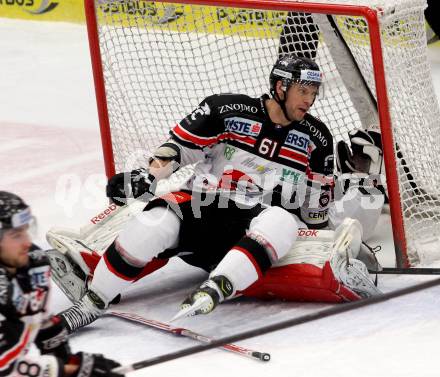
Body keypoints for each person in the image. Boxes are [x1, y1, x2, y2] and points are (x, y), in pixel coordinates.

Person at [54, 54, 383, 332]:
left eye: (314, 92)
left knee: (283, 221)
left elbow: (315, 213)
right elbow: (177, 149)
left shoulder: (317, 139)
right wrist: (148, 175)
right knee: (155, 219)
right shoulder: (225, 110)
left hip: (251, 232)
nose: (309, 100)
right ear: (281, 87)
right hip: (203, 210)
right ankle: (92, 301)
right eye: (303, 91)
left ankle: (216, 288)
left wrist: (331, 240)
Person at [0, 191, 124, 377]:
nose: (27, 242)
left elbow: (41, 323)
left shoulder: (33, 264)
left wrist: (68, 361)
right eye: (16, 235)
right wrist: (68, 371)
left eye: (27, 230)